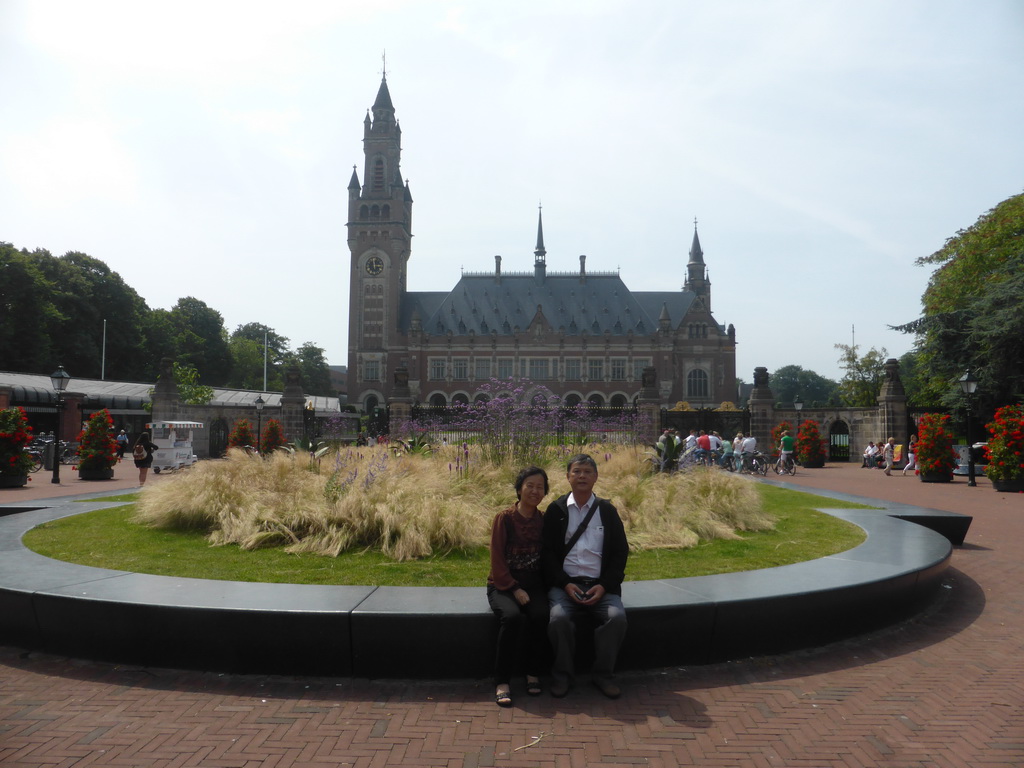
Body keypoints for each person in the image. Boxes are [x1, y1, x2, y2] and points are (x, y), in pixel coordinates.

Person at [542, 454, 629, 699]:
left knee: (617, 618)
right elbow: (547, 553)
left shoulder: (606, 511)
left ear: (596, 477)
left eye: (587, 472)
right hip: (565, 585)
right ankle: (562, 676)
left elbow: (620, 552)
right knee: (558, 619)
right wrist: (564, 583)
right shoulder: (556, 510)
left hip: (600, 587)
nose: (582, 476)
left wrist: (604, 586)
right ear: (568, 476)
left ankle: (603, 675)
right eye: (577, 471)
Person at [486, 466, 551, 708]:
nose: (535, 491)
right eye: (530, 486)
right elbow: (497, 559)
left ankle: (533, 672)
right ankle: (502, 681)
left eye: (540, 487)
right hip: (503, 586)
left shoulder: (543, 521)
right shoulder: (504, 519)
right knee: (512, 618)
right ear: (519, 489)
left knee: (541, 615)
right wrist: (514, 588)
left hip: (534, 585)